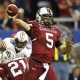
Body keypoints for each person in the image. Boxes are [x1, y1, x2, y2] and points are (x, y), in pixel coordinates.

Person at [7, 6, 73, 80]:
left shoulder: (55, 31)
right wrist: (12, 19)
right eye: (45, 16)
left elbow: (63, 51)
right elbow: (21, 23)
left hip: (48, 65)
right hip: (34, 63)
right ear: (39, 16)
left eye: (49, 16)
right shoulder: (36, 27)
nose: (48, 18)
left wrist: (67, 47)